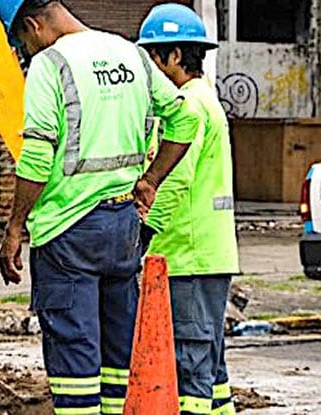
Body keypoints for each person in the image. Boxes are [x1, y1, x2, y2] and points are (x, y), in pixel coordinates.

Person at [0, 0, 202, 413]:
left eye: (22, 41)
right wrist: (150, 180)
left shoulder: (49, 65)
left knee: (74, 355)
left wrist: (14, 228)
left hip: (67, 231)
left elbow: (36, 157)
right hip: (122, 225)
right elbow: (186, 121)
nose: (26, 51)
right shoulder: (133, 55)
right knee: (115, 354)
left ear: (33, 25)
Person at [138, 4, 240, 415]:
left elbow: (175, 178)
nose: (149, 67)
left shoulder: (188, 106)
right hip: (204, 255)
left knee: (191, 366)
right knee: (211, 367)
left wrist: (144, 234)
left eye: (152, 57)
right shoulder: (205, 97)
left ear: (175, 56)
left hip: (188, 257)